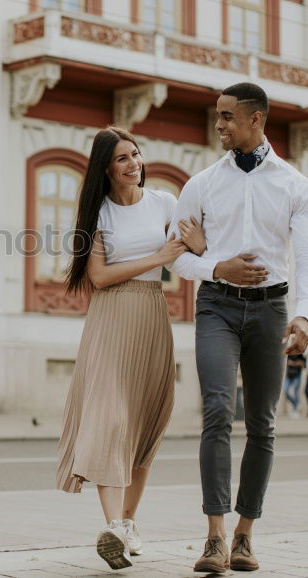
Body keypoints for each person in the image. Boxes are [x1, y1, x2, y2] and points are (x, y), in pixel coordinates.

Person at [169, 83, 308, 573]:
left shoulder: (296, 185)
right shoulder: (200, 184)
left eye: (227, 117)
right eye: (217, 116)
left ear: (256, 119)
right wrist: (217, 268)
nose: (218, 125)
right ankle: (214, 536)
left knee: (262, 423)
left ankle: (244, 535)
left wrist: (305, 315)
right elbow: (176, 256)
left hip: (271, 311)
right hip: (216, 306)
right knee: (217, 410)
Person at [56, 127, 206, 571]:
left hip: (151, 316)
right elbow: (98, 279)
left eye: (136, 155)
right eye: (122, 158)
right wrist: (160, 257)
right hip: (109, 319)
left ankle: (126, 525)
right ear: (106, 167)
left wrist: (187, 246)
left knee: (142, 425)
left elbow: (196, 244)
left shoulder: (164, 203)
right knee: (111, 421)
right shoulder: (96, 214)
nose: (133, 163)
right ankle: (115, 528)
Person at [283, 352, 307, 418]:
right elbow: (285, 362)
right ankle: (296, 404)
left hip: (297, 375)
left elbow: (304, 364)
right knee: (285, 390)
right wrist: (295, 363)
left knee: (296, 391)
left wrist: (293, 363)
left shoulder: (300, 354)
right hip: (289, 375)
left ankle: (295, 409)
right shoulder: (289, 353)